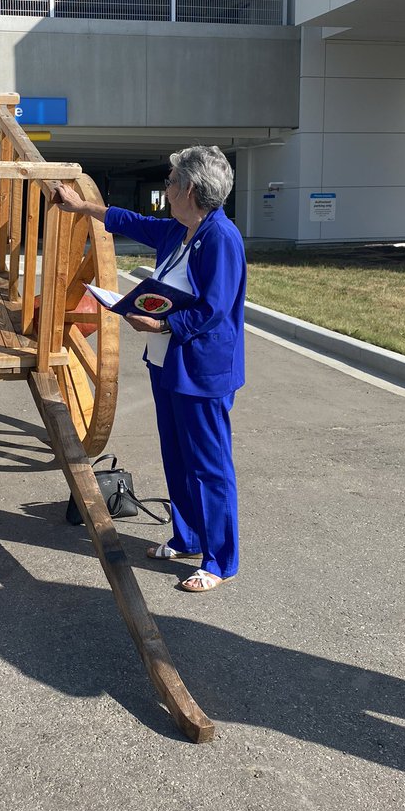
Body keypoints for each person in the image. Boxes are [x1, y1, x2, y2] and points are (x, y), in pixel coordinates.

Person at [53, 145, 246, 593]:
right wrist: (82, 206)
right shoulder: (181, 229)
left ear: (190, 189)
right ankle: (187, 537)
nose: (166, 187)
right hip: (167, 363)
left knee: (209, 466)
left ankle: (220, 560)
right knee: (176, 457)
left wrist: (160, 322)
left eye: (171, 181)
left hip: (201, 372)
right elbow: (133, 222)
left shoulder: (220, 237)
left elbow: (215, 310)